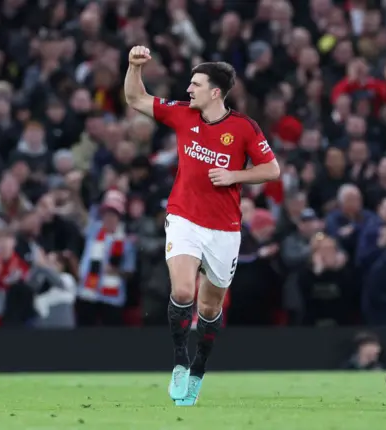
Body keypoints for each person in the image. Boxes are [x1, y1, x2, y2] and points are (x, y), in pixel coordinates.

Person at [124, 45, 280, 406]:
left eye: (195, 84)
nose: (188, 90)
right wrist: (134, 66)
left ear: (215, 92)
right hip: (183, 218)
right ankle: (179, 362)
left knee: (210, 309)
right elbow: (135, 98)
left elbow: (271, 170)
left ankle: (198, 369)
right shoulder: (181, 115)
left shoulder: (244, 127)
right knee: (182, 292)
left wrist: (234, 175)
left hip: (224, 229)